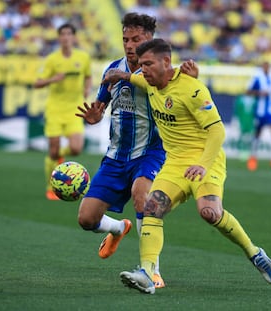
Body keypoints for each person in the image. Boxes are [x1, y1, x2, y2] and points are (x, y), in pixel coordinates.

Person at [102, 38, 271, 295]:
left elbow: (217, 131)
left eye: (148, 64)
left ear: (166, 62)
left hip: (206, 159)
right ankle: (147, 273)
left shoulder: (192, 89)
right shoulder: (149, 83)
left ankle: (254, 252)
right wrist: (120, 74)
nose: (144, 70)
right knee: (152, 208)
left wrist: (204, 165)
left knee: (210, 213)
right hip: (175, 163)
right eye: (141, 65)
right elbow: (134, 79)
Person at [75, 13, 199, 289]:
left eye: (136, 39)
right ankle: (119, 228)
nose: (129, 45)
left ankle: (151, 269)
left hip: (151, 153)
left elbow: (185, 97)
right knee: (86, 219)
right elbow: (101, 104)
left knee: (143, 196)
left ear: (150, 40)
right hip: (116, 156)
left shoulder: (161, 73)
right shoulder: (113, 68)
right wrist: (96, 115)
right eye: (125, 39)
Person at [33, 23, 92, 200]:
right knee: (52, 152)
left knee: (76, 148)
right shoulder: (52, 60)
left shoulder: (83, 57)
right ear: (59, 38)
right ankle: (51, 188)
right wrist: (53, 79)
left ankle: (60, 155)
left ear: (73, 37)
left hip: (74, 109)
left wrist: (87, 88)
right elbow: (37, 83)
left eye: (69, 34)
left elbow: (88, 76)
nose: (66, 37)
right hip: (55, 110)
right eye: (63, 34)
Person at [246, 61, 271, 172]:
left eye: (268, 67)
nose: (267, 69)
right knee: (258, 133)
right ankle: (253, 158)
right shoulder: (257, 78)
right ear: (262, 68)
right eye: (265, 67)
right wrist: (259, 93)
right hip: (260, 111)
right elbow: (248, 91)